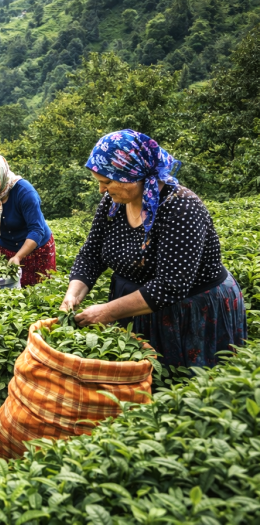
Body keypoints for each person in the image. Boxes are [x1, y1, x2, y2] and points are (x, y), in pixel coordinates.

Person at [61, 129, 246, 370]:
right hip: (134, 304)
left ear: (134, 176)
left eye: (107, 182)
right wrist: (73, 293)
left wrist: (106, 311)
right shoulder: (113, 203)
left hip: (189, 310)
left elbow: (171, 285)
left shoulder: (181, 207)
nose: (101, 190)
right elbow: (92, 253)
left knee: (185, 384)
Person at [0, 154, 55, 286]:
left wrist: (18, 257)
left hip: (35, 248)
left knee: (38, 290)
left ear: (1, 178)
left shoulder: (25, 192)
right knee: (5, 291)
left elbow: (36, 230)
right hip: (4, 245)